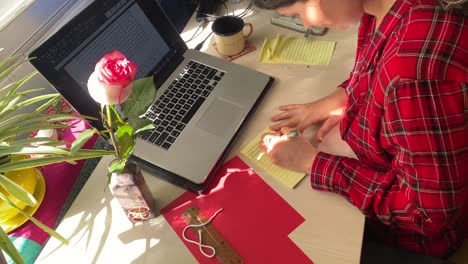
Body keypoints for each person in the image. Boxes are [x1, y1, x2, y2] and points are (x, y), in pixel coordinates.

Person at [254, 0, 468, 258]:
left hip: (408, 241)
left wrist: (313, 163)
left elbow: (426, 215)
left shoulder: (414, 76)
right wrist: (346, 95)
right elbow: (377, 68)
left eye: (299, 13)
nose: (307, 25)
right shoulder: (376, 10)